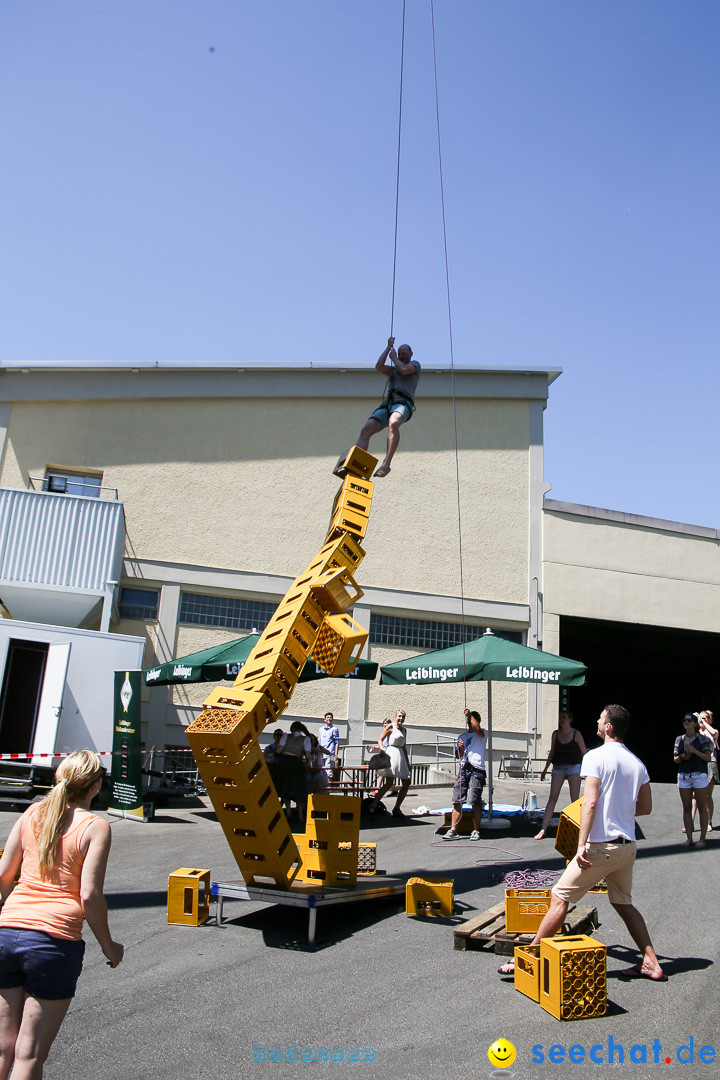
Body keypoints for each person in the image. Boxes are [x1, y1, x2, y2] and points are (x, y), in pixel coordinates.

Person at [498, 705, 664, 981]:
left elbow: (589, 803)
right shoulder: (637, 763)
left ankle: (531, 956)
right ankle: (651, 962)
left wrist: (581, 844)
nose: (596, 721)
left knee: (559, 897)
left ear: (608, 726)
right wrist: (618, 810)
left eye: (600, 718)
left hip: (601, 847)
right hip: (627, 848)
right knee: (623, 904)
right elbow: (645, 807)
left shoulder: (595, 757)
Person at [0, 750, 124, 1079]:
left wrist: (12, 910)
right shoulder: (96, 827)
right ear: (95, 787)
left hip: (6, 932)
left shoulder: (31, 814)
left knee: (2, 1049)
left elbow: (3, 874)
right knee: (29, 1056)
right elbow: (89, 895)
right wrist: (109, 947)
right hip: (53, 944)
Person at [341, 337, 421, 479]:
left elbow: (403, 370)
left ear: (411, 354)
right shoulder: (393, 369)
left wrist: (394, 357)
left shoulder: (414, 365)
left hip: (403, 403)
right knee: (366, 429)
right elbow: (378, 366)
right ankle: (355, 464)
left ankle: (386, 463)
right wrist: (388, 348)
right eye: (400, 353)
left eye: (404, 354)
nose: (401, 356)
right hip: (389, 403)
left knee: (394, 422)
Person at [534, 710, 588, 839]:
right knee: (552, 797)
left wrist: (586, 770)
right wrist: (545, 769)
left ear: (570, 719)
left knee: (574, 799)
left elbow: (584, 753)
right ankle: (543, 829)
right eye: (560, 717)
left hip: (574, 768)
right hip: (558, 767)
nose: (561, 719)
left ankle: (579, 829)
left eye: (564, 717)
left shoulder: (576, 734)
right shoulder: (555, 734)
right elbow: (552, 752)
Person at [443, 708, 487, 841]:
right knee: (457, 799)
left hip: (477, 769)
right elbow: (458, 755)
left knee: (475, 801)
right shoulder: (462, 736)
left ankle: (476, 830)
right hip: (464, 769)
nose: (470, 723)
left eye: (472, 720)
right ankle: (454, 829)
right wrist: (460, 749)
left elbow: (477, 729)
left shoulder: (482, 733)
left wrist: (469, 716)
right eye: (469, 720)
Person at [674, 712, 713, 847]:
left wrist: (695, 752)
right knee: (686, 807)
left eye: (689, 720)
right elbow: (675, 759)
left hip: (698, 775)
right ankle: (689, 839)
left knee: (702, 806)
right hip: (684, 776)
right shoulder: (680, 739)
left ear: (695, 724)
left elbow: (708, 758)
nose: (686, 722)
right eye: (685, 720)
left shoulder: (703, 739)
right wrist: (683, 756)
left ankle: (702, 839)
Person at [368, 710, 411, 817]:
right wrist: (382, 750)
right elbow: (380, 740)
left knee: (406, 782)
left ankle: (397, 808)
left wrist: (407, 762)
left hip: (400, 755)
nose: (401, 718)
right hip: (391, 753)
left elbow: (404, 747)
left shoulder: (405, 730)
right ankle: (373, 805)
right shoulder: (391, 727)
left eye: (403, 717)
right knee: (388, 783)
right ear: (396, 717)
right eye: (399, 716)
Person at [274, 721, 312, 825]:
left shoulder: (286, 736)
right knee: (298, 789)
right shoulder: (306, 739)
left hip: (285, 762)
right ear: (300, 729)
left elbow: (278, 751)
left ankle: (289, 812)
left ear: (292, 729)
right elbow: (308, 756)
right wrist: (305, 763)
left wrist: (277, 744)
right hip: (297, 763)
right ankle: (300, 815)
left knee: (286, 787)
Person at [695, 710, 717, 831]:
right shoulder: (697, 732)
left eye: (704, 719)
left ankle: (709, 822)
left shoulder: (712, 732)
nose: (701, 721)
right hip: (698, 764)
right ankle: (691, 822)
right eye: (700, 719)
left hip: (710, 764)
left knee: (707, 795)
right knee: (694, 796)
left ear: (709, 720)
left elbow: (713, 732)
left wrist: (703, 721)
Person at [318, 712, 340, 779]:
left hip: (330, 754)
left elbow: (337, 742)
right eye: (328, 717)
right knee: (320, 772)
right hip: (321, 754)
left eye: (330, 717)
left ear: (332, 719)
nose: (329, 719)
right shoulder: (321, 729)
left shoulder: (334, 729)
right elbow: (319, 740)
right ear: (325, 719)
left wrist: (336, 755)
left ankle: (329, 789)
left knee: (328, 772)